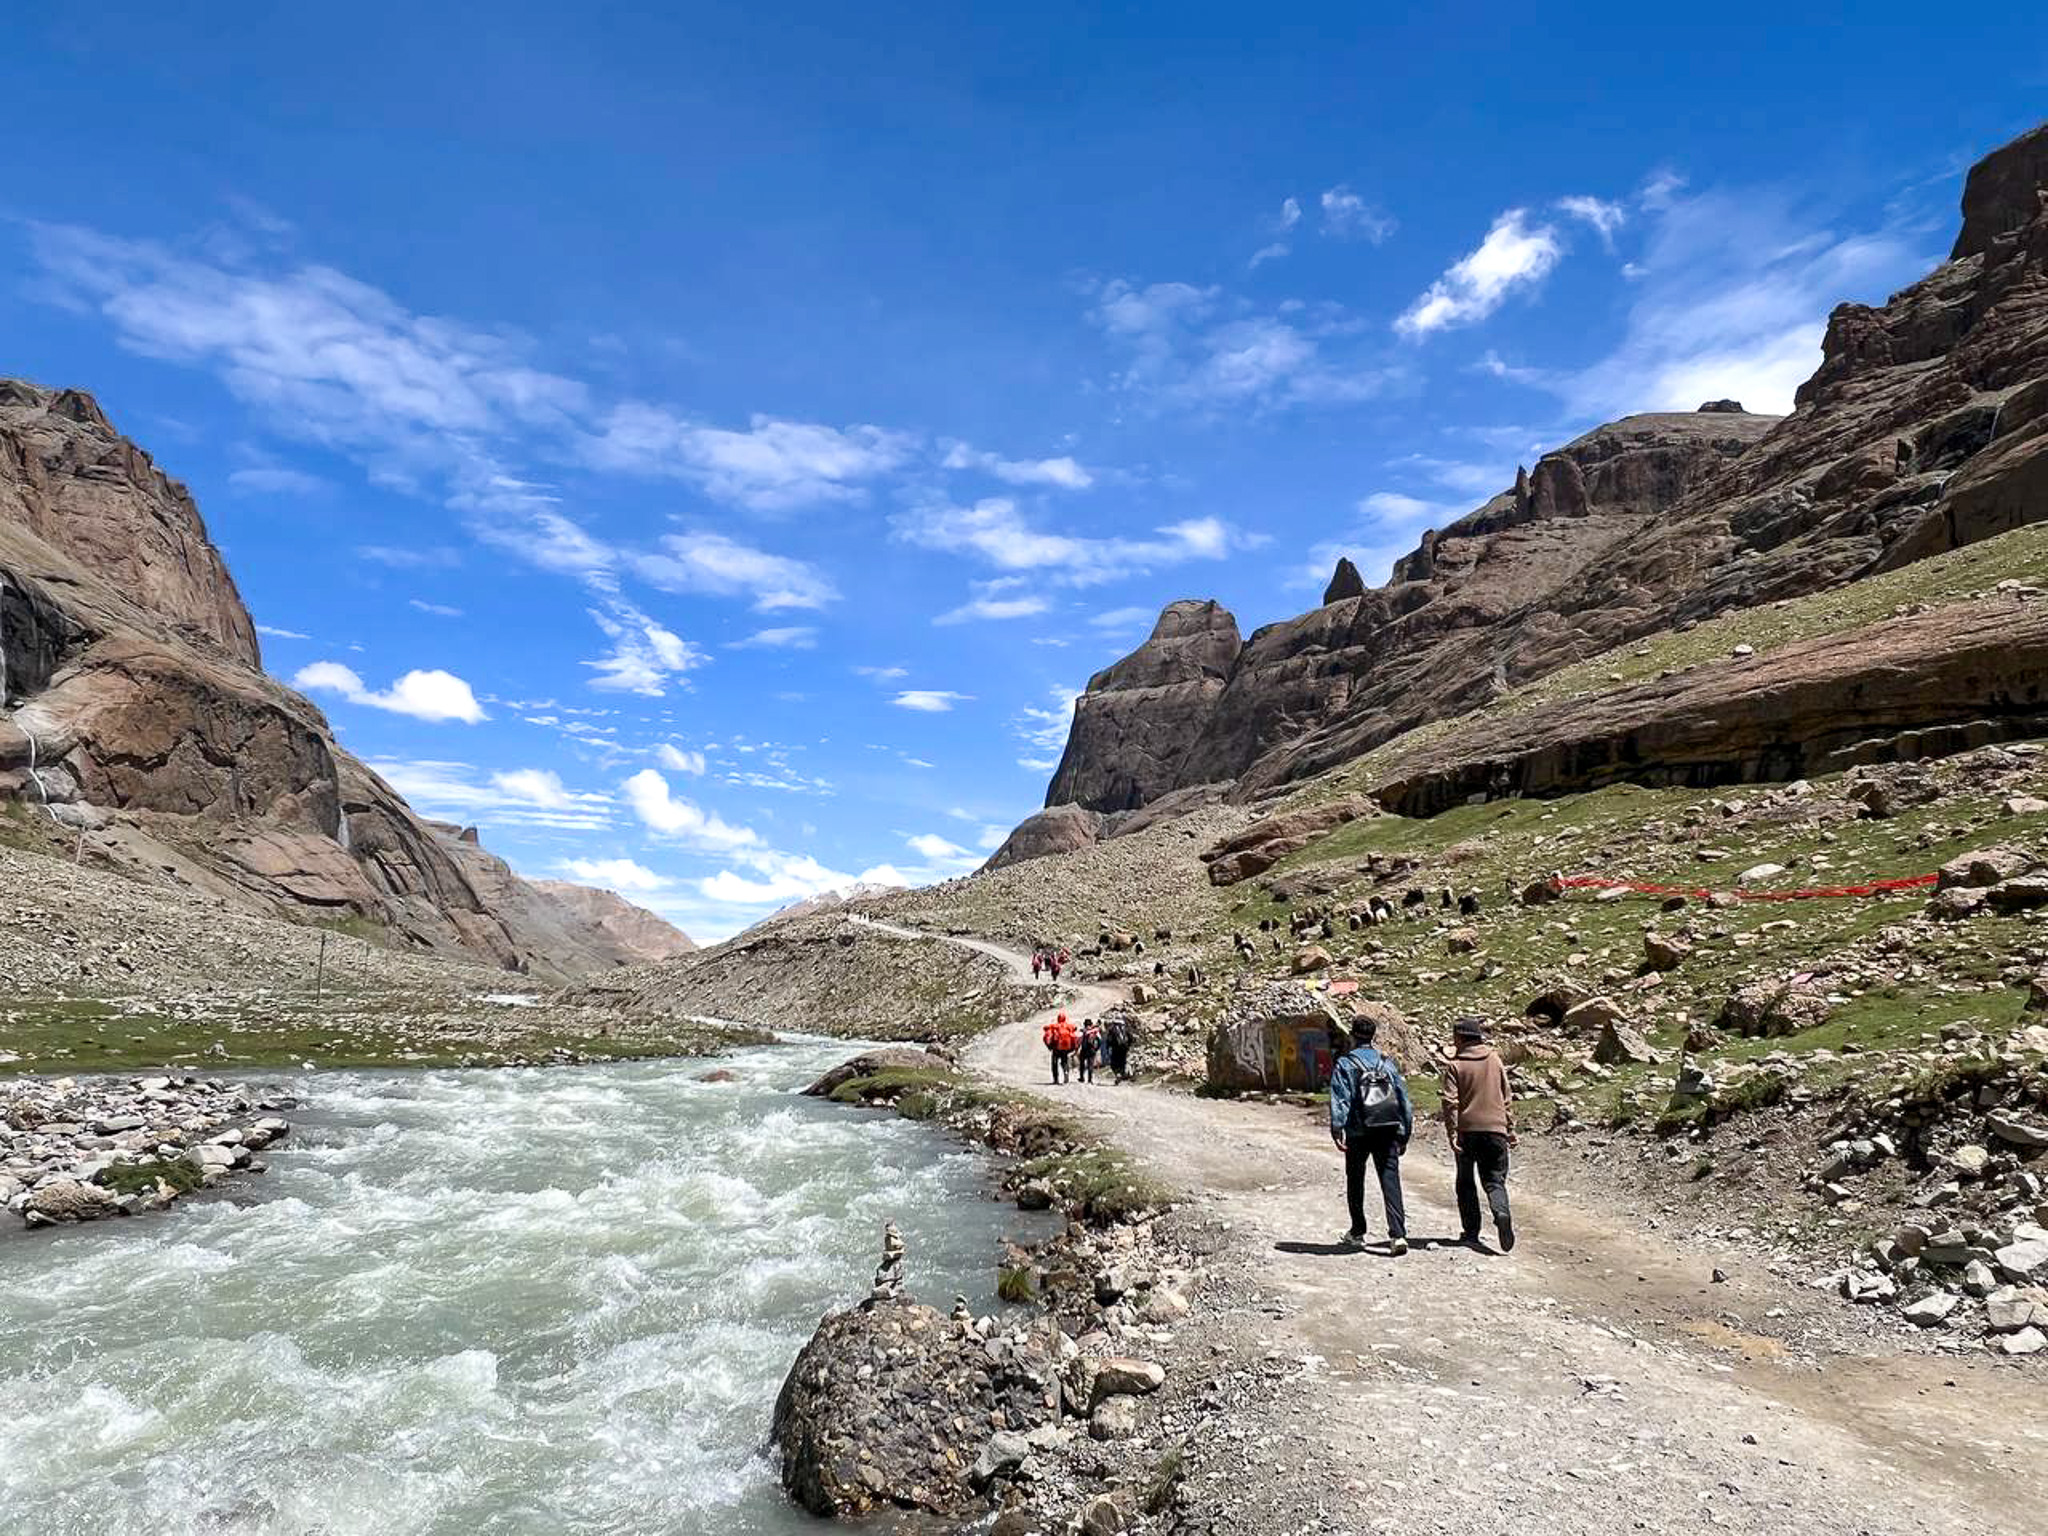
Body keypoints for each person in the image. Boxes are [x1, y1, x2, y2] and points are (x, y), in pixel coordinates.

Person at [1327, 1016, 1412, 1255]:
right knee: (1390, 1179)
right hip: (1387, 1129)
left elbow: (1340, 1098)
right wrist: (1404, 1133)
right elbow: (1404, 1100)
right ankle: (1398, 1234)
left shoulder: (1345, 1064)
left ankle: (1357, 1231)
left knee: (1355, 1179)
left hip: (1358, 1131)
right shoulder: (1387, 1063)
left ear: (1353, 1035)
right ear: (1373, 1036)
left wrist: (1337, 1128)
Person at [1441, 1016, 1516, 1251]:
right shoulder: (1495, 1060)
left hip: (1467, 1131)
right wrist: (1510, 1129)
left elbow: (1450, 1102)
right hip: (1496, 1130)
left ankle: (1471, 1232)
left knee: (1465, 1182)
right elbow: (1506, 1097)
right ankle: (1500, 1211)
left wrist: (1452, 1133)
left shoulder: (1455, 1066)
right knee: (1494, 1180)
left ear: (1461, 1038)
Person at [1043, 1011, 1076, 1084]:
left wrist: (1050, 1047)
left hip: (1056, 1048)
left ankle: (1056, 1079)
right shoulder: (1068, 1026)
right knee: (1064, 1061)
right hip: (1066, 1048)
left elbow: (1046, 1029)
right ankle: (1066, 1072)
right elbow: (1074, 1029)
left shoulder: (1055, 1026)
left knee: (1054, 1063)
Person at [1104, 1012, 1132, 1082]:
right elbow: (1131, 1037)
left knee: (1114, 1063)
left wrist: (1108, 1047)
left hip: (1115, 1048)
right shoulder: (1125, 1027)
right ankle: (1122, 1074)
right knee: (1122, 1061)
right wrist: (1128, 1045)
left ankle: (1118, 1074)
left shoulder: (1112, 1028)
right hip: (1124, 1047)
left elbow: (1109, 1039)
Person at [1078, 1017, 1102, 1083]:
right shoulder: (1094, 1031)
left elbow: (1079, 1041)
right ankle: (1090, 1079)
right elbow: (1100, 1041)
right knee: (1090, 1064)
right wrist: (1096, 1048)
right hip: (1092, 1049)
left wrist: (1077, 1049)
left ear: (1084, 1024)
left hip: (1084, 1049)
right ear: (1091, 1024)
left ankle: (1082, 1077)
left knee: (1082, 1064)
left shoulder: (1083, 1031)